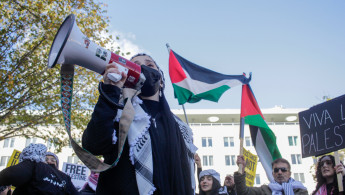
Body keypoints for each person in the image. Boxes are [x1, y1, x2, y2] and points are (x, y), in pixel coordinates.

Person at [82, 53, 197, 195]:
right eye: (136, 65)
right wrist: (110, 91)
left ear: (161, 81)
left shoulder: (182, 128)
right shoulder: (116, 112)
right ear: (129, 79)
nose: (143, 68)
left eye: (150, 65)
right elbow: (93, 145)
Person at [0, 143, 79, 195]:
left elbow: (10, 174)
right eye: (46, 158)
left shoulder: (33, 164)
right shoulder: (65, 178)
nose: (49, 161)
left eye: (52, 160)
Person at [234, 155, 308, 195]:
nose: (279, 172)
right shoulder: (264, 190)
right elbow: (244, 192)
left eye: (283, 169)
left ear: (289, 173)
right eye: (276, 170)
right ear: (273, 174)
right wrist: (242, 169)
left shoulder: (301, 191)